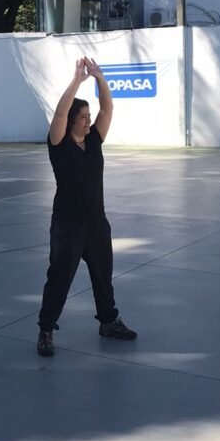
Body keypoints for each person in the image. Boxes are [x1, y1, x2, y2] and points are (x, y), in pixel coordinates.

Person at [36, 58, 137, 357]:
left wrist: (100, 79)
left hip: (96, 222)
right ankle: (45, 329)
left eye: (88, 115)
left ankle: (109, 321)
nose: (88, 120)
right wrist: (77, 81)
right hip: (67, 225)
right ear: (70, 121)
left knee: (103, 276)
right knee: (59, 278)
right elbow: (59, 113)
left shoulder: (94, 140)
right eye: (82, 116)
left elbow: (108, 109)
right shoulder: (58, 143)